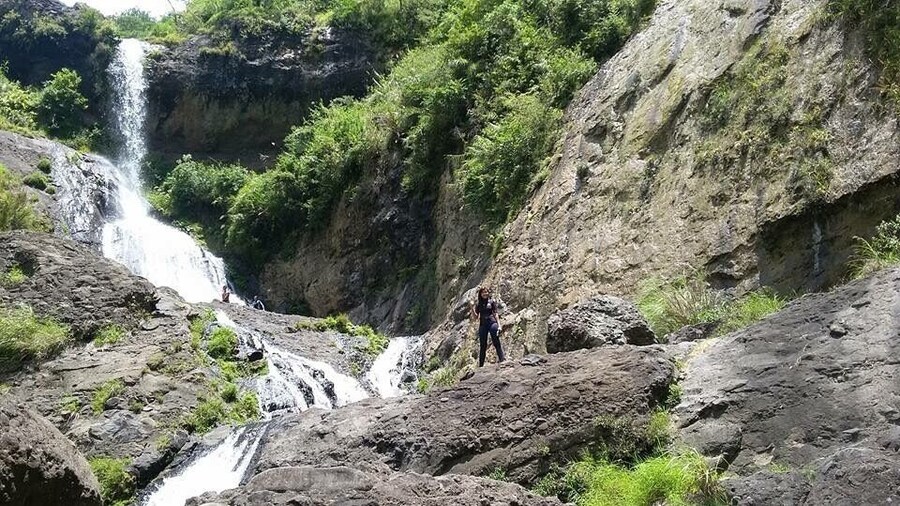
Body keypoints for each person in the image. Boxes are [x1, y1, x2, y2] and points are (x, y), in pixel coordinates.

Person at [470, 286, 506, 367]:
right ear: (480, 294)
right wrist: (472, 307)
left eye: (486, 292)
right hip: (483, 325)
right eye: (483, 292)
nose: (485, 294)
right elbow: (475, 317)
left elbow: (496, 314)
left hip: (492, 323)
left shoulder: (492, 301)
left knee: (496, 342)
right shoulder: (478, 304)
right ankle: (481, 365)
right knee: (483, 345)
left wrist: (499, 325)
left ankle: (502, 360)